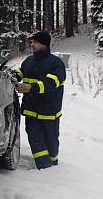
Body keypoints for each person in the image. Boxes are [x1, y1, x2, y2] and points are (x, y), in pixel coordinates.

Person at [13, 31, 66, 170]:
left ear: (44, 44)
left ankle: (53, 165)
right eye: (32, 42)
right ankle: (44, 167)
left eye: (35, 42)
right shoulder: (29, 61)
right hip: (31, 109)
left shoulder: (56, 64)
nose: (32, 45)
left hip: (48, 111)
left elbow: (50, 84)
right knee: (35, 138)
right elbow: (21, 72)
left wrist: (30, 87)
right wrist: (12, 75)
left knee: (51, 142)